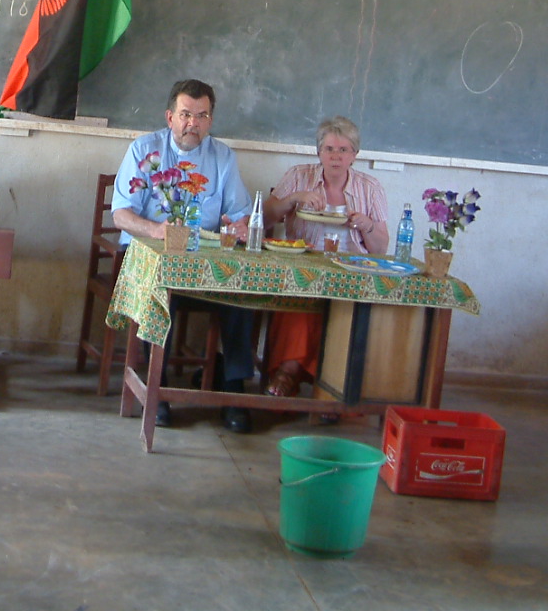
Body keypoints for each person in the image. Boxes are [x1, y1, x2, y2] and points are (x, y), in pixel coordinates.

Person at [111, 79, 255, 433]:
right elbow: (121, 215)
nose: (193, 123)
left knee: (243, 290)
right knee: (162, 289)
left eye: (202, 116)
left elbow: (240, 213)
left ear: (210, 120)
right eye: (186, 114)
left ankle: (233, 390)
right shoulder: (144, 150)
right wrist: (156, 230)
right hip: (152, 256)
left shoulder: (223, 157)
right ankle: (157, 390)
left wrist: (239, 226)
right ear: (170, 117)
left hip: (205, 262)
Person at [262, 116, 389, 399]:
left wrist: (367, 225)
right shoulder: (299, 175)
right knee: (300, 296)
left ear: (355, 155)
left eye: (343, 150)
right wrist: (293, 199)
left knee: (344, 309)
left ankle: (332, 385)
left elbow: (380, 249)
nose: (335, 156)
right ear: (319, 151)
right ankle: (288, 374)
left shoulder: (370, 187)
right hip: (303, 264)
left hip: (351, 270)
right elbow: (266, 218)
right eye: (329, 149)